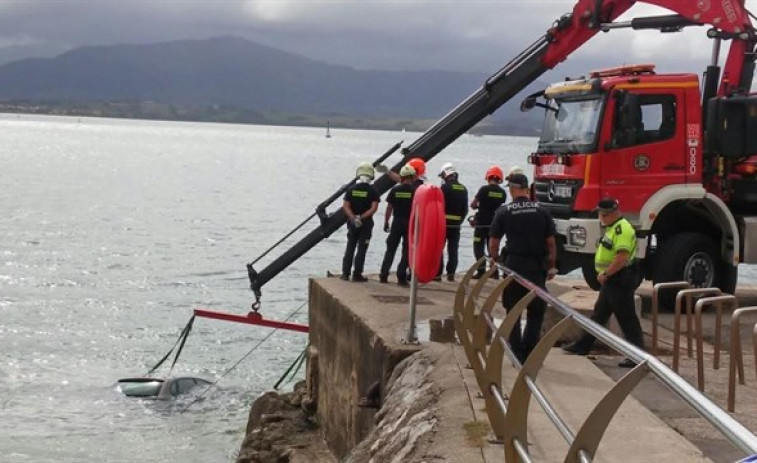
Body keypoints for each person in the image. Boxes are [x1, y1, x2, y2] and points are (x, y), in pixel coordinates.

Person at [562, 198, 643, 368]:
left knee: (626, 317)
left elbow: (622, 256)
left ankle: (637, 355)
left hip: (620, 278)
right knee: (599, 314)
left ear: (609, 214)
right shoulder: (613, 228)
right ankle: (583, 346)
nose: (599, 216)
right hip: (612, 279)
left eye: (601, 213)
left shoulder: (622, 229)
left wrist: (606, 273)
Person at [489, 172, 557, 364]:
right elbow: (551, 243)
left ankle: (517, 352)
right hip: (536, 267)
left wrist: (496, 260)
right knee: (536, 311)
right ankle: (530, 352)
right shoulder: (542, 210)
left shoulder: (504, 211)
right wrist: (551, 266)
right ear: (527, 189)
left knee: (513, 310)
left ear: (512, 189)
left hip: (514, 266)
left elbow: (494, 243)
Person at [341, 162, 380, 282]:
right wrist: (361, 218)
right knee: (362, 249)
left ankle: (345, 274)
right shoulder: (373, 190)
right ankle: (357, 274)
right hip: (366, 224)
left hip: (352, 224)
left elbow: (345, 206)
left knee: (350, 247)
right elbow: (373, 208)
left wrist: (353, 218)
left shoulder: (351, 190)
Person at [379, 165, 416, 286]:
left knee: (390, 249)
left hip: (397, 222)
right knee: (406, 250)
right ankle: (401, 277)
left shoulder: (395, 190)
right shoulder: (415, 191)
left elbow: (389, 208)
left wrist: (386, 222)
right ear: (411, 176)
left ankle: (384, 275)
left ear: (402, 176)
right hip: (409, 223)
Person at [470, 166, 507, 278]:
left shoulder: (483, 189)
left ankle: (481, 272)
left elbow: (473, 205)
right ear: (500, 179)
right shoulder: (502, 193)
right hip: (494, 224)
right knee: (492, 248)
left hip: (481, 224)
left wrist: (479, 206)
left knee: (478, 247)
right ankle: (494, 272)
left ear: (488, 177)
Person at [437, 162, 468, 281]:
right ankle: (451, 274)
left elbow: (438, 206)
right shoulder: (463, 189)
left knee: (439, 248)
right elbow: (465, 209)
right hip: (456, 225)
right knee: (453, 249)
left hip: (443, 224)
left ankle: (438, 274)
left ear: (446, 174)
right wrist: (459, 222)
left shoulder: (444, 188)